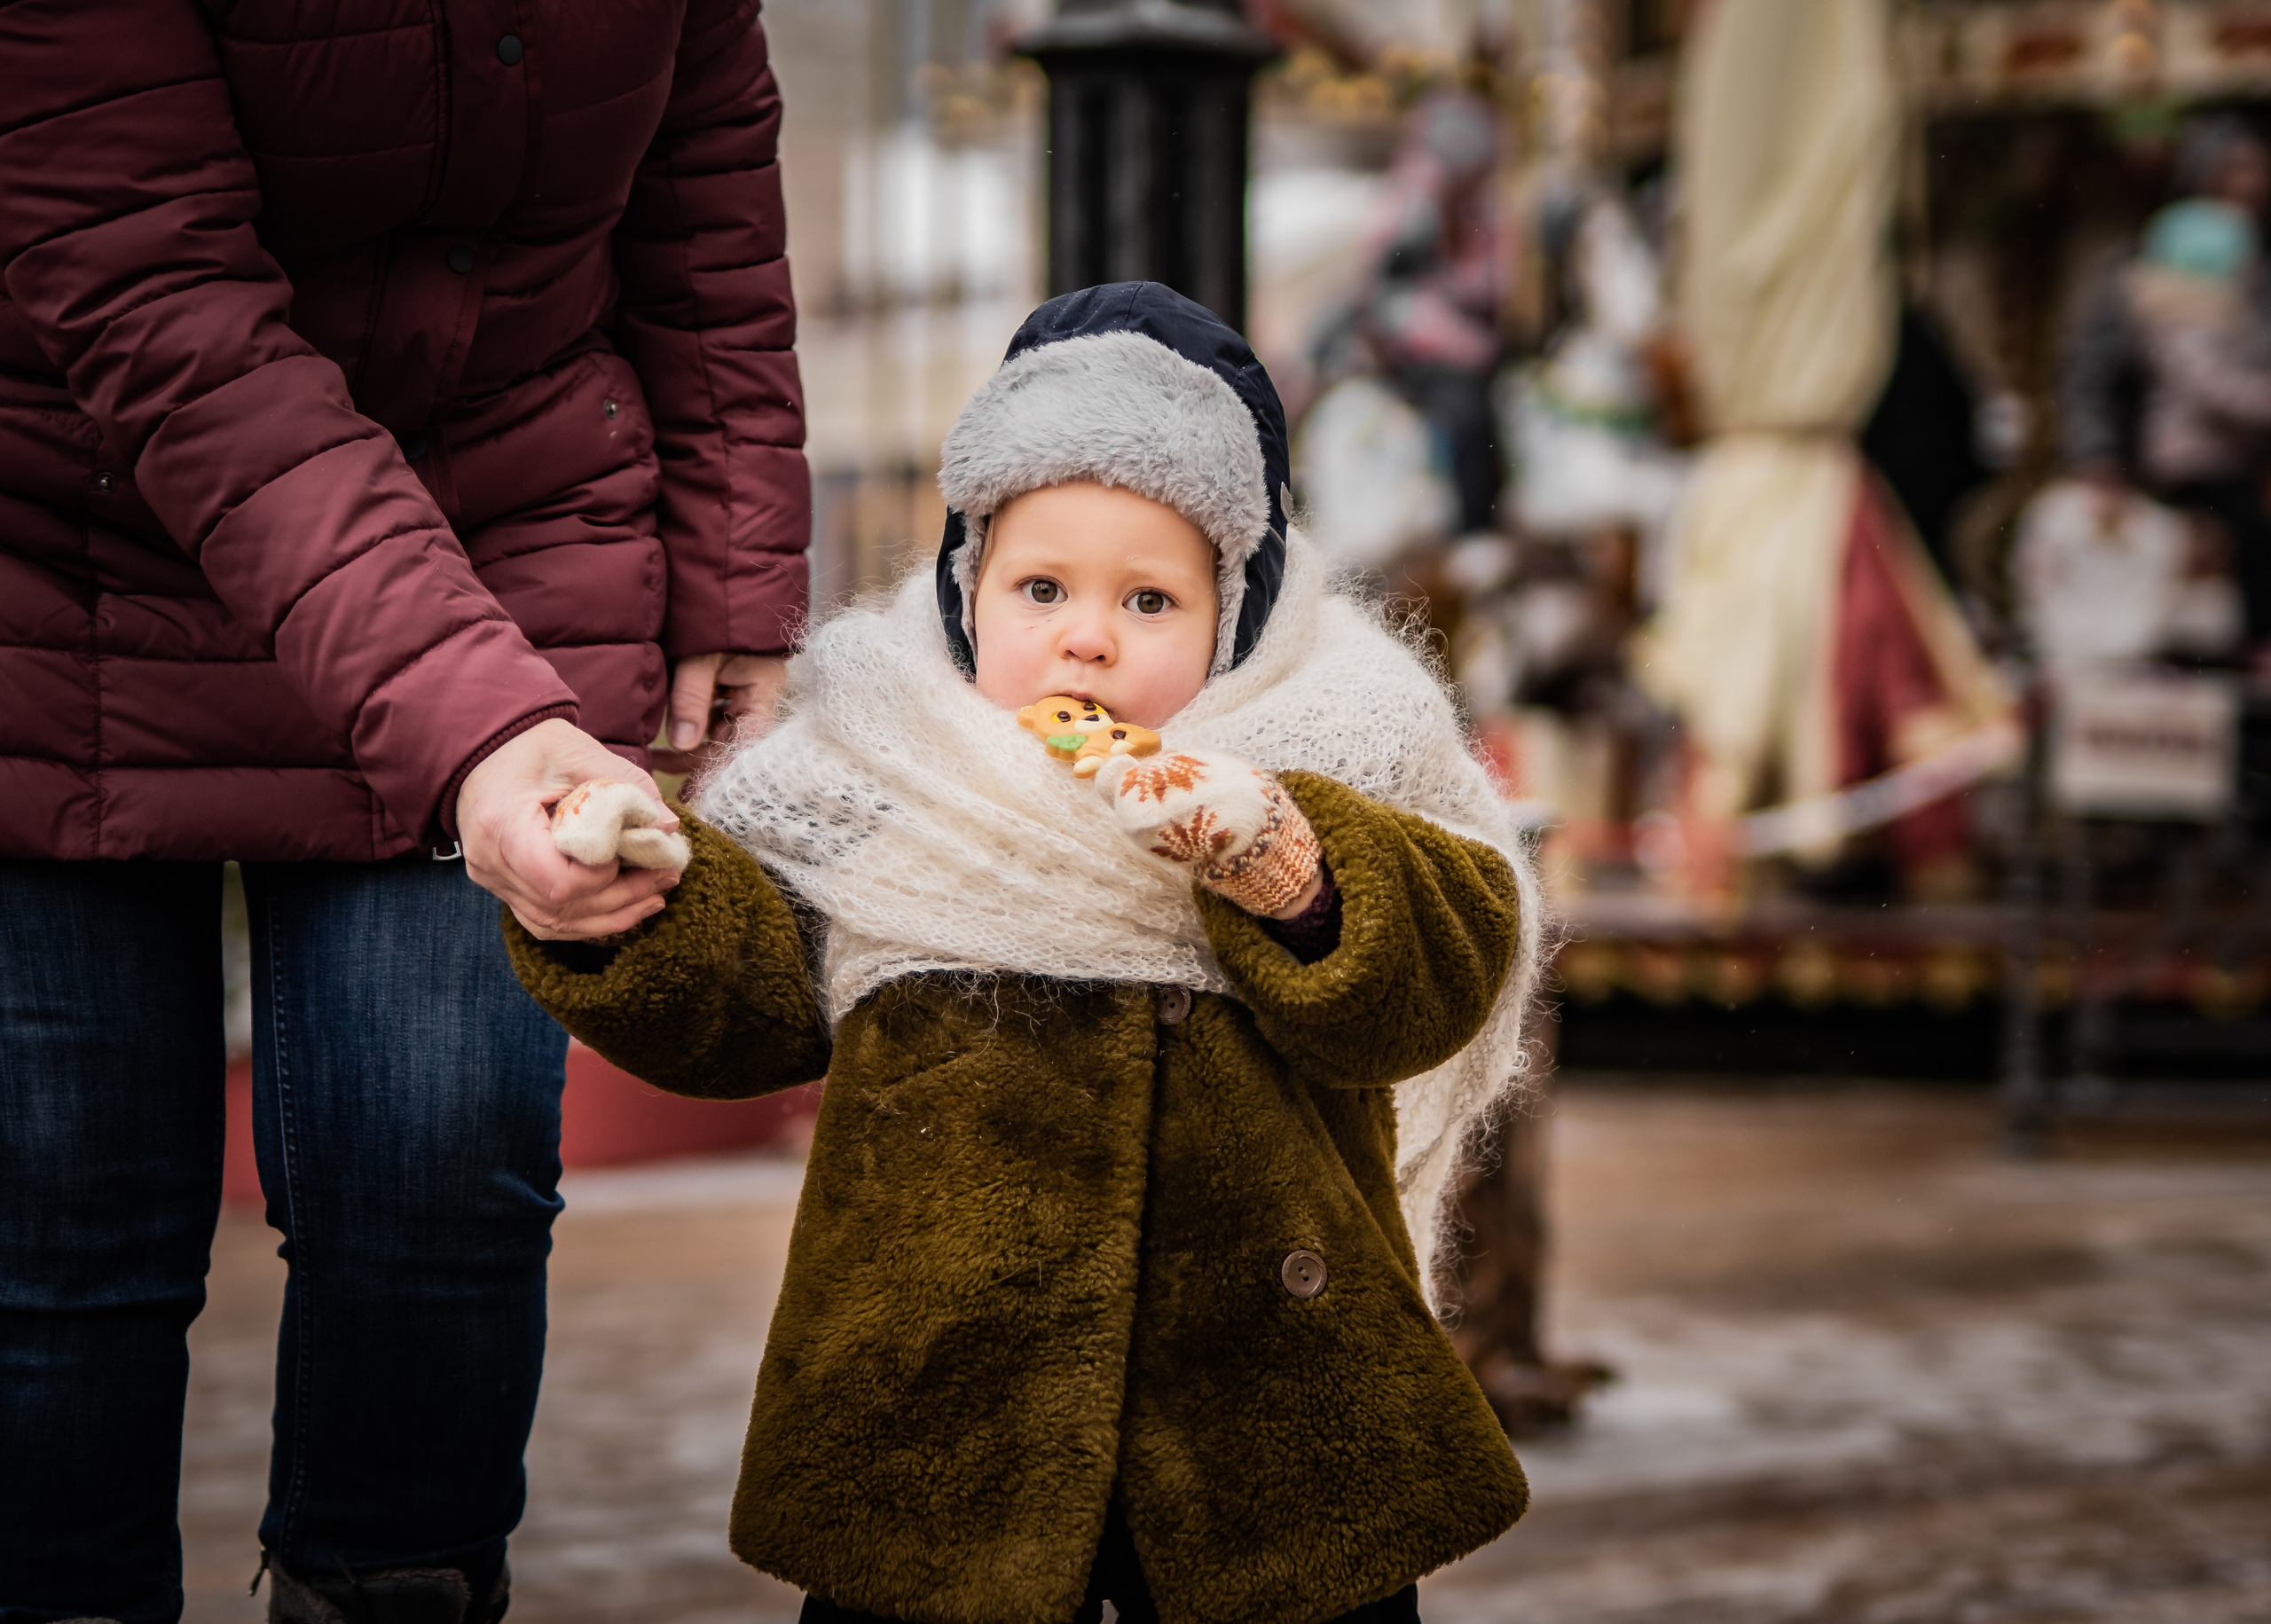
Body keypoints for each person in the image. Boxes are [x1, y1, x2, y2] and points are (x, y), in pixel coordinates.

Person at [504, 284, 1546, 1624]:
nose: (1087, 634)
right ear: (965, 587)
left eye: (1151, 597)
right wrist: (643, 895)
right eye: (1041, 586)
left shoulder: (1324, 739)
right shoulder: (877, 767)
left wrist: (1287, 859)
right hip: (938, 1401)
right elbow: (752, 997)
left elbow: (1438, 974)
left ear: (1238, 610)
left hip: (1266, 1412)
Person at [0, 4, 805, 1620]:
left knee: (442, 1180)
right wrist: (483, 725)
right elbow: (160, 302)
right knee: (61, 1240)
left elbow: (704, 179)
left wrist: (734, 557)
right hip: (64, 557)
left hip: (502, 517)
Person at [2061, 114, 2271, 658]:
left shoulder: (2253, 268)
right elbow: (2100, 372)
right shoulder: (2159, 274)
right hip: (2179, 460)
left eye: (2257, 168)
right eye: (2234, 170)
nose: (2250, 183)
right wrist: (2098, 452)